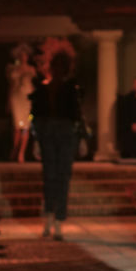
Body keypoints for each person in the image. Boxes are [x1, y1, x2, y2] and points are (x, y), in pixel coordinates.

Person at [30, 46, 83, 240]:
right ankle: (50, 218)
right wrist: (36, 140)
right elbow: (36, 115)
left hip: (65, 134)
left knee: (62, 177)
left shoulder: (71, 89)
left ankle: (58, 220)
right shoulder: (42, 89)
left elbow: (76, 115)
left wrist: (80, 138)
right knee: (50, 177)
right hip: (48, 134)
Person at [6, 43, 36, 162]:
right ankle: (15, 148)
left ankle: (21, 153)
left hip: (27, 98)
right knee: (17, 126)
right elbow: (10, 85)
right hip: (16, 97)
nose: (23, 57)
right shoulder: (12, 69)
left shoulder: (31, 69)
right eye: (21, 55)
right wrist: (8, 101)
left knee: (26, 126)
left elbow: (33, 85)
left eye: (25, 55)